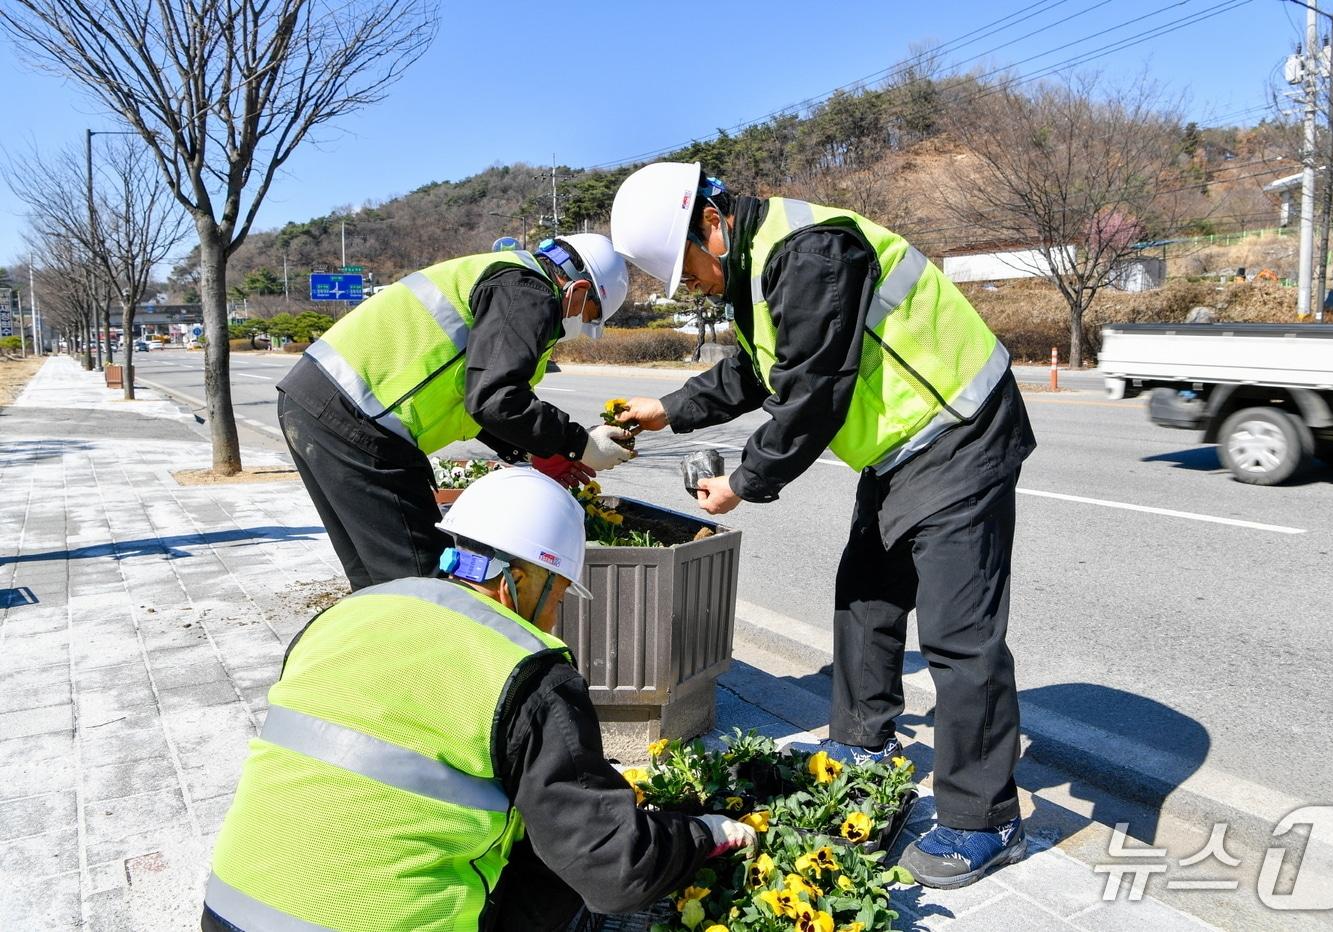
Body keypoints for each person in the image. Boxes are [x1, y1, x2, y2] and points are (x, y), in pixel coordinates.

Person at [609, 162, 1037, 889]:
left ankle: (984, 818)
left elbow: (812, 394)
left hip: (961, 432)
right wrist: (668, 408)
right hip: (901, 449)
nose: (700, 288)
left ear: (709, 225)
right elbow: (755, 372)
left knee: (959, 635)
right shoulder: (759, 270)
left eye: (691, 271)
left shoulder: (809, 253)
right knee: (865, 596)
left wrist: (745, 482)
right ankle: (863, 747)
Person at [203, 467, 756, 932]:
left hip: (229, 911)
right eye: (559, 592)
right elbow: (613, 868)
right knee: (558, 872)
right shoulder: (528, 670)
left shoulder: (351, 614)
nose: (557, 614)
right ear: (519, 579)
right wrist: (701, 835)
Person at [277, 234, 638, 591]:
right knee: (424, 585)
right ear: (576, 290)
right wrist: (579, 443)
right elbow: (496, 398)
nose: (581, 327)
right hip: (357, 422)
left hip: (317, 405)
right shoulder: (529, 291)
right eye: (590, 316)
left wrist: (535, 450)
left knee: (376, 582)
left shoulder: (506, 280)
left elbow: (471, 394)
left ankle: (378, 646)